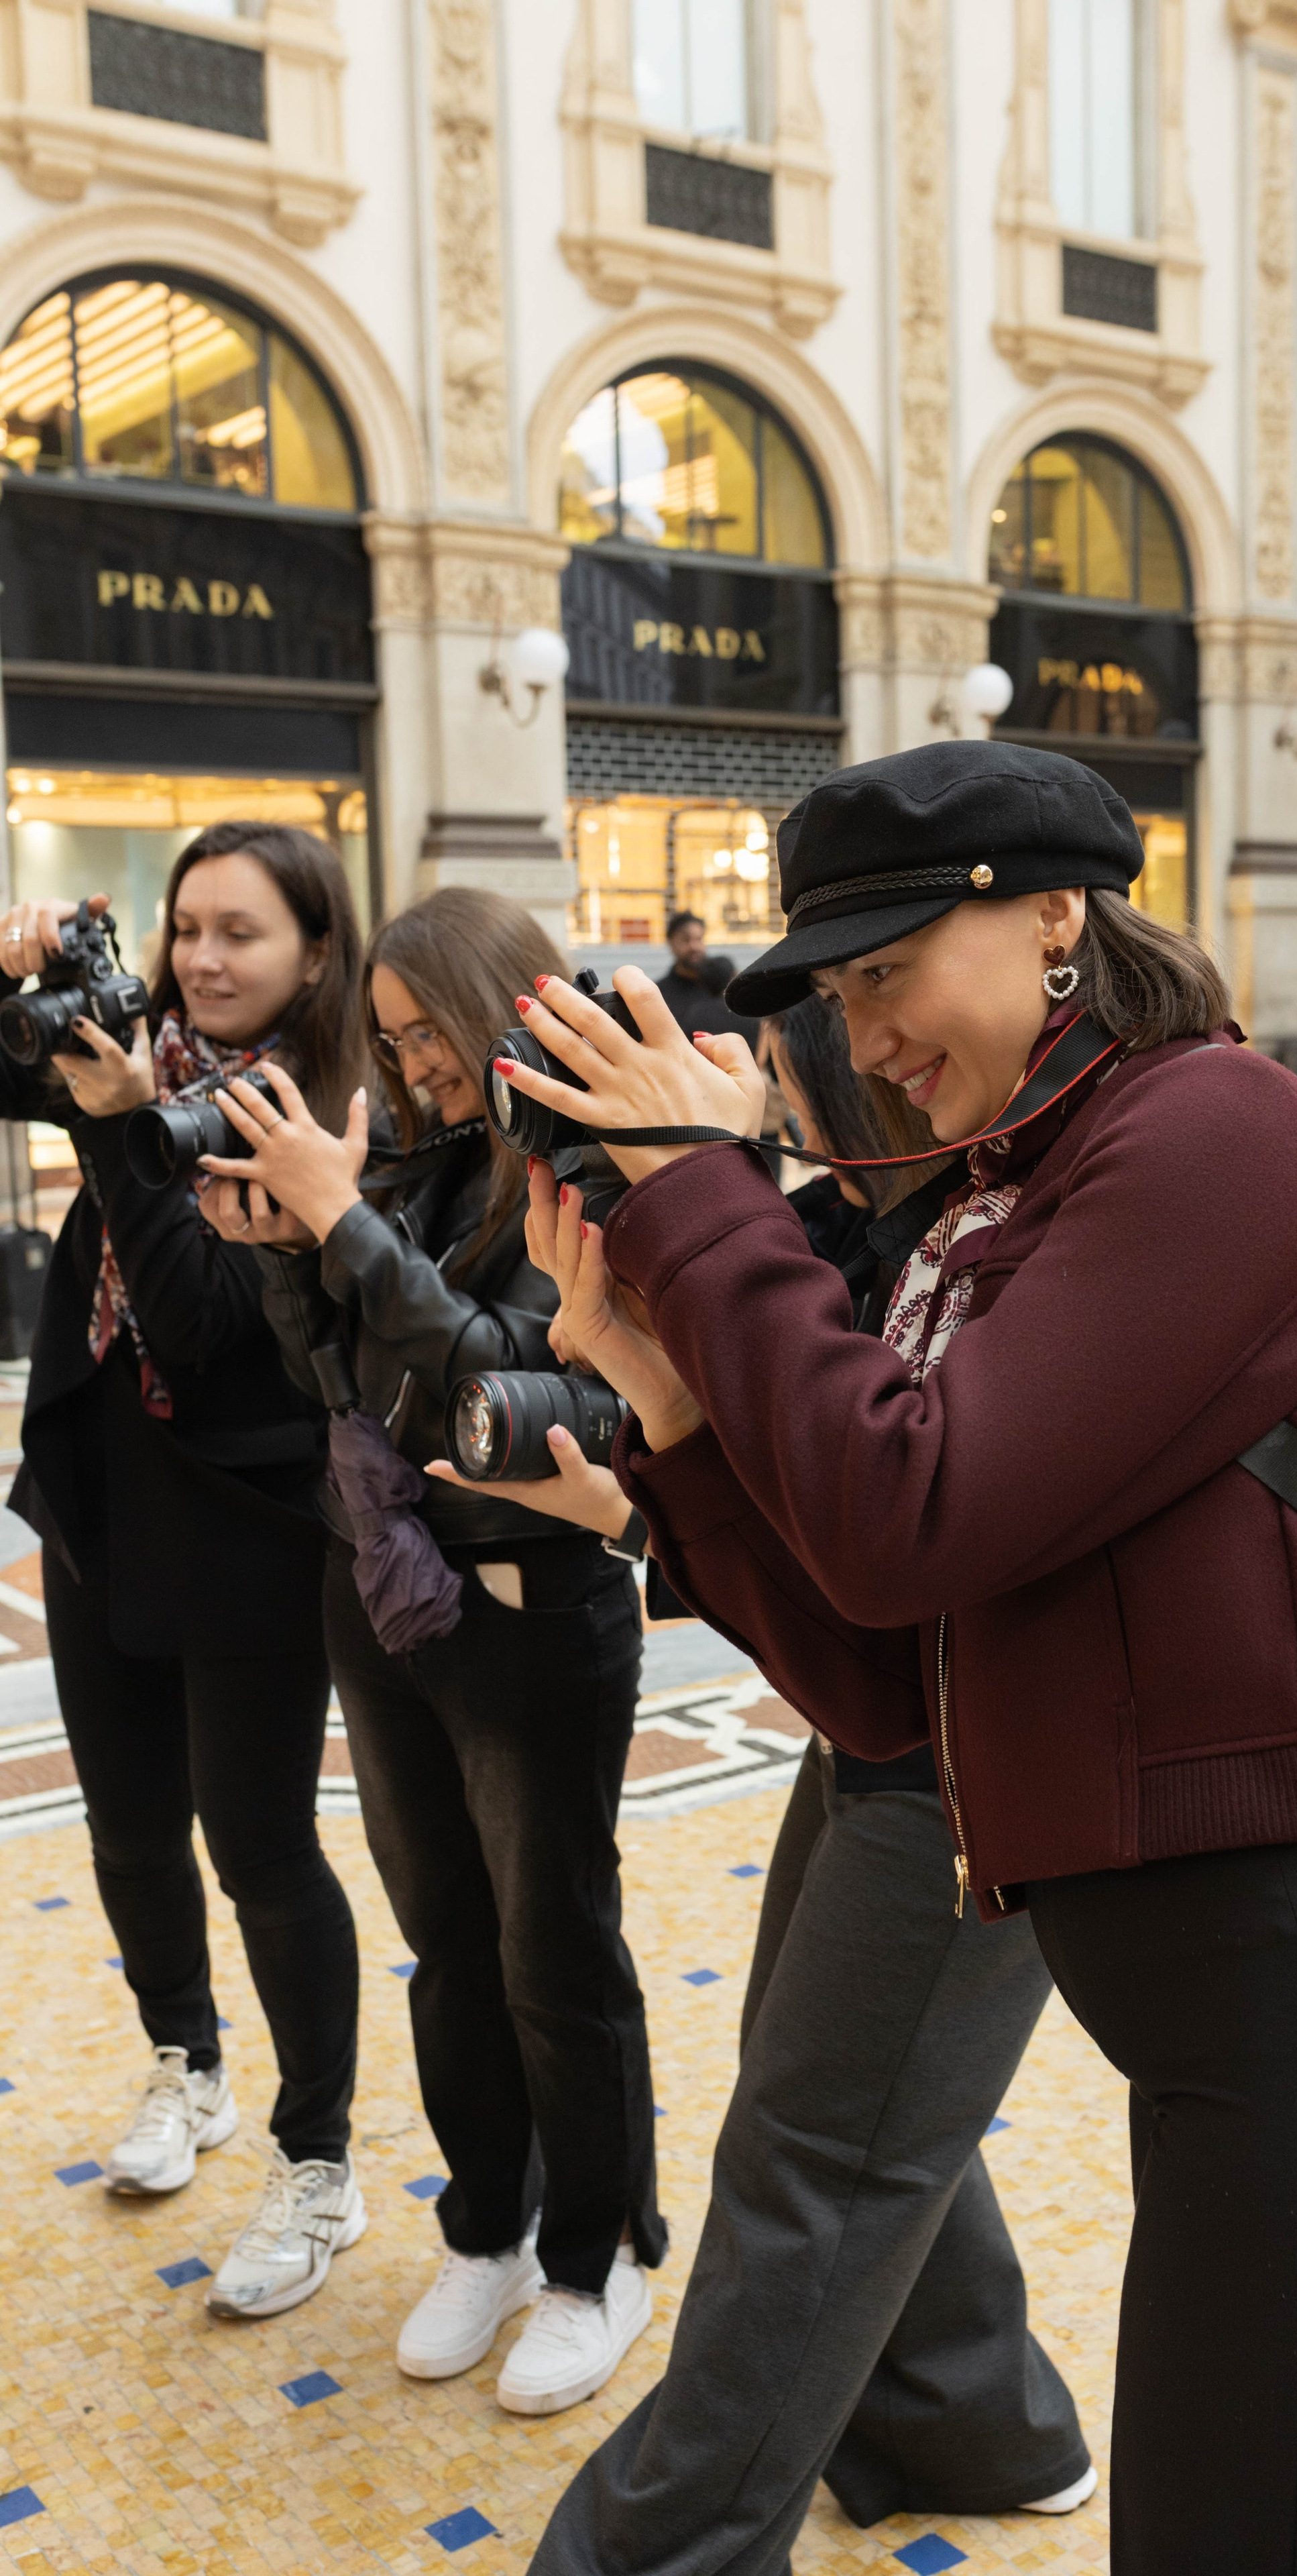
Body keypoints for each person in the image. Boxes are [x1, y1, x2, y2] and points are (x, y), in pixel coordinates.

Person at [493, 739, 1297, 2576]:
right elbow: (882, 1677)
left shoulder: (1212, 1129)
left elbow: (917, 1503)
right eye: (838, 992)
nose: (868, 1032)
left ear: (1055, 910)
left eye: (888, 970)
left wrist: (700, 1198)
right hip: (1247, 2075)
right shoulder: (1002, 1208)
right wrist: (672, 1410)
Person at [435, 989, 1092, 2569]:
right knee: (831, 2102)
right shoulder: (834, 1236)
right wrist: (644, 1407)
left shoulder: (970, 1244)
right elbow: (828, 1614)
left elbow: (888, 1544)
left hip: (977, 1748)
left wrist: (703, 1240)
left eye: (745, 1075)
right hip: (892, 1723)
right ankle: (964, 2412)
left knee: (811, 2159)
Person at [198, 886, 664, 2416]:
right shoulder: (407, 1160)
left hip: (537, 1598)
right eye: (391, 1045)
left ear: (497, 1005)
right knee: (447, 1938)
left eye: (427, 1036)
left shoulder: (586, 1166)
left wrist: (340, 1224)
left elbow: (499, 1380)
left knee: (552, 1947)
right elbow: (342, 1373)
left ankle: (603, 2249)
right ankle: (492, 2223)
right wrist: (286, 1248)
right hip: (389, 1593)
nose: (413, 1069)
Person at [0, 824, 365, 2317]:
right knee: (130, 1825)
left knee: (261, 1847)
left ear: (313, 954)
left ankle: (318, 2161)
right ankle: (187, 2063)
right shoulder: (129, 1048)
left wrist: (120, 1124)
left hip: (245, 1514)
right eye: (186, 929)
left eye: (243, 934)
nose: (204, 961)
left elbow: (205, 1317)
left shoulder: (311, 1111)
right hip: (100, 1486)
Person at [654, 910, 758, 1046]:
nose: (694, 947)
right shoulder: (660, 994)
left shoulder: (722, 981)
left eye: (699, 939)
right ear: (671, 943)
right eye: (686, 940)